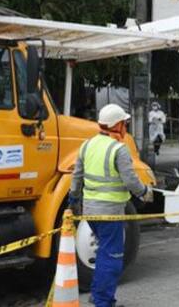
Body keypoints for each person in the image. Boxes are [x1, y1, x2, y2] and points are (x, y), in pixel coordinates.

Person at [69, 104, 154, 307]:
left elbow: (77, 176)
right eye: (125, 123)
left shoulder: (87, 145)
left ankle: (99, 295)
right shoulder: (119, 149)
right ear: (117, 125)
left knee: (103, 254)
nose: (126, 127)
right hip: (110, 214)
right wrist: (145, 192)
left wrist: (73, 200)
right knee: (113, 258)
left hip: (90, 214)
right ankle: (103, 301)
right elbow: (131, 180)